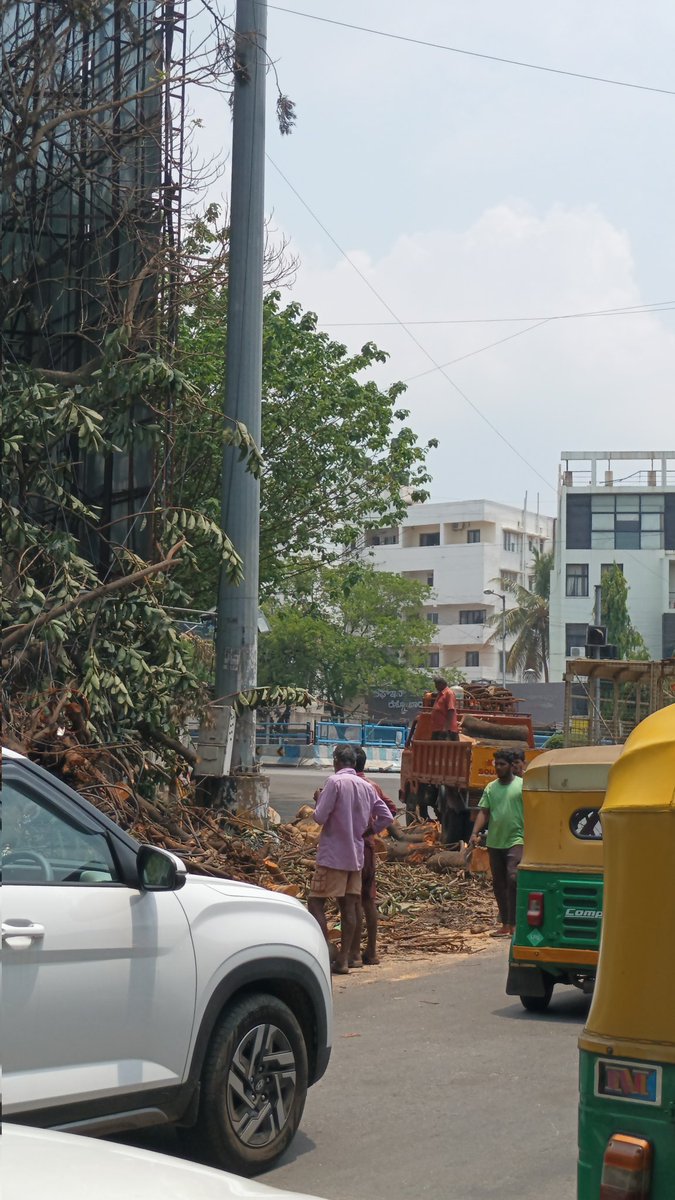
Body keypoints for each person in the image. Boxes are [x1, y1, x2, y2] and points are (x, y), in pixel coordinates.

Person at [309, 744, 394, 974]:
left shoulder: (334, 782)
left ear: (336, 760)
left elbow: (319, 817)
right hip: (356, 856)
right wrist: (368, 831)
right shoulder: (366, 786)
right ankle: (344, 959)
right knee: (349, 907)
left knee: (315, 901)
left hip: (332, 856)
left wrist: (318, 799)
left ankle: (324, 950)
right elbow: (387, 815)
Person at [350, 747, 399, 968]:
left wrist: (367, 830)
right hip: (369, 847)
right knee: (368, 900)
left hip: (353, 849)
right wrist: (373, 829)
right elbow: (391, 809)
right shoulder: (372, 785)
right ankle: (371, 950)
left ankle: (354, 953)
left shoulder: (349, 785)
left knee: (354, 901)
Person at [469, 750, 524, 938]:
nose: (498, 768)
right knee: (499, 883)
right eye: (496, 764)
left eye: (502, 764)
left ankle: (516, 923)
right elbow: (484, 812)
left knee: (513, 877)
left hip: (517, 839)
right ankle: (506, 924)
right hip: (495, 841)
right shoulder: (491, 788)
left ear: (511, 766)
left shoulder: (522, 786)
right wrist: (474, 833)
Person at [430, 675, 459, 741]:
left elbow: (451, 710)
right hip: (437, 729)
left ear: (442, 684)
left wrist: (446, 728)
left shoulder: (449, 693)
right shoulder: (440, 694)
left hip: (446, 731)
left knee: (444, 750)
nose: (435, 686)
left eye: (437, 684)